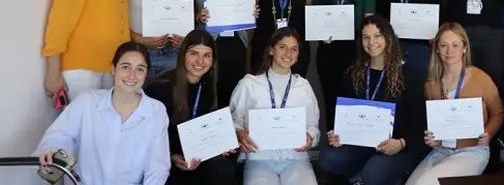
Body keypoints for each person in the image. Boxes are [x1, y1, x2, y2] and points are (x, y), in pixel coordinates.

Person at [35, 42, 170, 184]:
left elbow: (157, 169)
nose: (132, 75)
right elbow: (59, 137)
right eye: (125, 67)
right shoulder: (87, 102)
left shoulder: (155, 111)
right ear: (113, 69)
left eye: (140, 69)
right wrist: (51, 153)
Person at [320, 15, 429, 185]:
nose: (372, 42)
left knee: (374, 172)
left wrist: (401, 143)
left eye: (377, 36)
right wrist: (338, 133)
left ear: (388, 38)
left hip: (395, 146)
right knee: (327, 157)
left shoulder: (409, 74)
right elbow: (345, 113)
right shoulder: (354, 73)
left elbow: (420, 119)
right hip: (362, 142)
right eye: (366, 37)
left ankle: (377, 175)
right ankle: (362, 177)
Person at [406, 23, 504, 185]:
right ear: (437, 49)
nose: (449, 51)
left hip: (472, 151)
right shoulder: (431, 85)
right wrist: (431, 138)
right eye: (443, 46)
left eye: (455, 45)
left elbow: (498, 113)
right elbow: (432, 123)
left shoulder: (481, 78)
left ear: (464, 47)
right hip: (441, 150)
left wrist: (488, 133)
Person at [144, 30, 236, 185]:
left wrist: (221, 144)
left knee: (223, 168)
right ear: (183, 55)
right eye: (194, 53)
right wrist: (171, 155)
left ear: (213, 60)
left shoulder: (209, 88)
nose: (200, 61)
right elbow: (146, 137)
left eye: (207, 55)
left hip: (196, 156)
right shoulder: (160, 88)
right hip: (165, 157)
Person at [230, 28, 320, 185]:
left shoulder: (303, 86)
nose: (288, 53)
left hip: (295, 159)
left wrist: (310, 138)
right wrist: (240, 134)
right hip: (259, 159)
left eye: (294, 49)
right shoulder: (249, 83)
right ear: (271, 49)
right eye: (282, 47)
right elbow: (234, 121)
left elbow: (313, 126)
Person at [314, 0, 376, 128]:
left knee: (355, 103)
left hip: (356, 52)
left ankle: (354, 150)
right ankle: (334, 149)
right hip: (328, 52)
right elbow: (315, 20)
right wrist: (321, 34)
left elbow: (369, 21)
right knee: (331, 102)